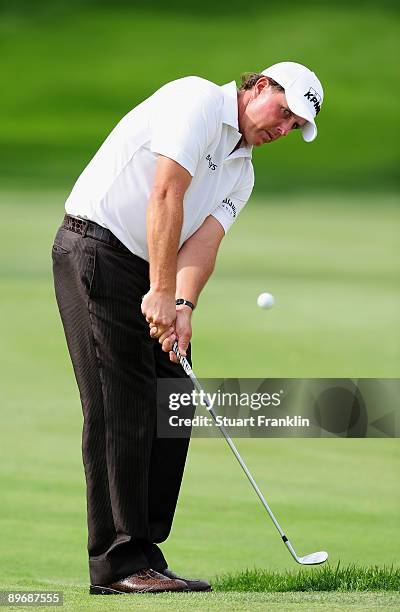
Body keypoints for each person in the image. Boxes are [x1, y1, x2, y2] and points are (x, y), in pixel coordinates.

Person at [52, 61, 324, 595]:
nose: (283, 128)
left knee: (172, 399)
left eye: (295, 126)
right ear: (259, 86)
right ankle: (118, 564)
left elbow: (204, 242)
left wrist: (181, 304)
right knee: (120, 404)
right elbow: (166, 194)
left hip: (151, 267)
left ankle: (145, 552)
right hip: (96, 248)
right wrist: (158, 288)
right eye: (284, 112)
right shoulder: (196, 101)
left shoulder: (242, 171)